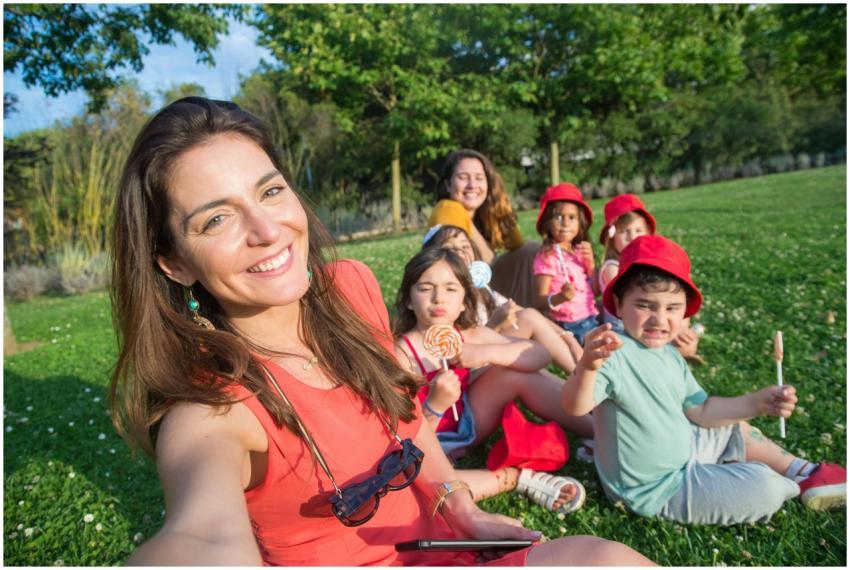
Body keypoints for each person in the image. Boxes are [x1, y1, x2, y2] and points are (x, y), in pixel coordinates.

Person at [109, 97, 653, 566]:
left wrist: (457, 504)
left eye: (270, 192)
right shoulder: (210, 408)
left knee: (608, 558)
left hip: (440, 541)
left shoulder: (351, 287)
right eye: (216, 220)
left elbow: (405, 420)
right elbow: (203, 535)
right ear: (174, 263)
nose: (269, 231)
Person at [562, 234, 847, 525]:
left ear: (685, 310)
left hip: (686, 452)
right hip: (653, 489)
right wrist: (587, 368)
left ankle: (803, 472)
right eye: (645, 305)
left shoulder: (670, 355)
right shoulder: (614, 353)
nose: (660, 320)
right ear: (619, 306)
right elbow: (575, 406)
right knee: (765, 487)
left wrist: (756, 402)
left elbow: (702, 411)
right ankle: (789, 485)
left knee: (733, 426)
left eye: (672, 308)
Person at [393, 247, 593, 515]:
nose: (439, 298)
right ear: (408, 299)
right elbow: (405, 437)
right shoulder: (402, 353)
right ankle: (514, 479)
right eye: (425, 288)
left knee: (511, 372)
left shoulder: (469, 335)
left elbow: (539, 354)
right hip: (433, 442)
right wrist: (435, 405)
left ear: (465, 300)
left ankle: (599, 431)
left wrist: (484, 353)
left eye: (451, 289)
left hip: (467, 422)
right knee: (418, 484)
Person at [423, 223, 583, 374]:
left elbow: (529, 314)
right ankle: (586, 378)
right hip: (468, 372)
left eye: (465, 246)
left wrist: (569, 339)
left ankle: (583, 380)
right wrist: (495, 325)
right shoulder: (443, 297)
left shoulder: (481, 291)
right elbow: (460, 350)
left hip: (491, 356)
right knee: (528, 323)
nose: (459, 252)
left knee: (528, 317)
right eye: (450, 248)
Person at [597, 193, 703, 364]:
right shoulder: (612, 267)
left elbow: (674, 297)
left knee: (679, 327)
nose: (632, 237)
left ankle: (681, 342)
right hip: (627, 329)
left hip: (652, 323)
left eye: (638, 230)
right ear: (612, 235)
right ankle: (674, 352)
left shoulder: (652, 267)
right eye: (624, 231)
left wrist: (683, 328)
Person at [430, 149, 541, 308]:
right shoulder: (448, 209)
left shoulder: (480, 216)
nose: (472, 185)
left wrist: (498, 207)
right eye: (463, 177)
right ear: (448, 185)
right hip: (465, 296)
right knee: (530, 251)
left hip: (485, 289)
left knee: (530, 250)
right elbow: (465, 266)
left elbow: (516, 243)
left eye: (479, 178)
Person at [532, 183, 599, 345]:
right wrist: (560, 297)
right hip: (569, 326)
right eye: (559, 217)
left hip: (591, 317)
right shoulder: (547, 257)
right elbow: (539, 302)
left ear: (580, 221)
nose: (565, 223)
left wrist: (590, 265)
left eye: (571, 217)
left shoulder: (579, 251)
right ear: (547, 222)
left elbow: (596, 291)